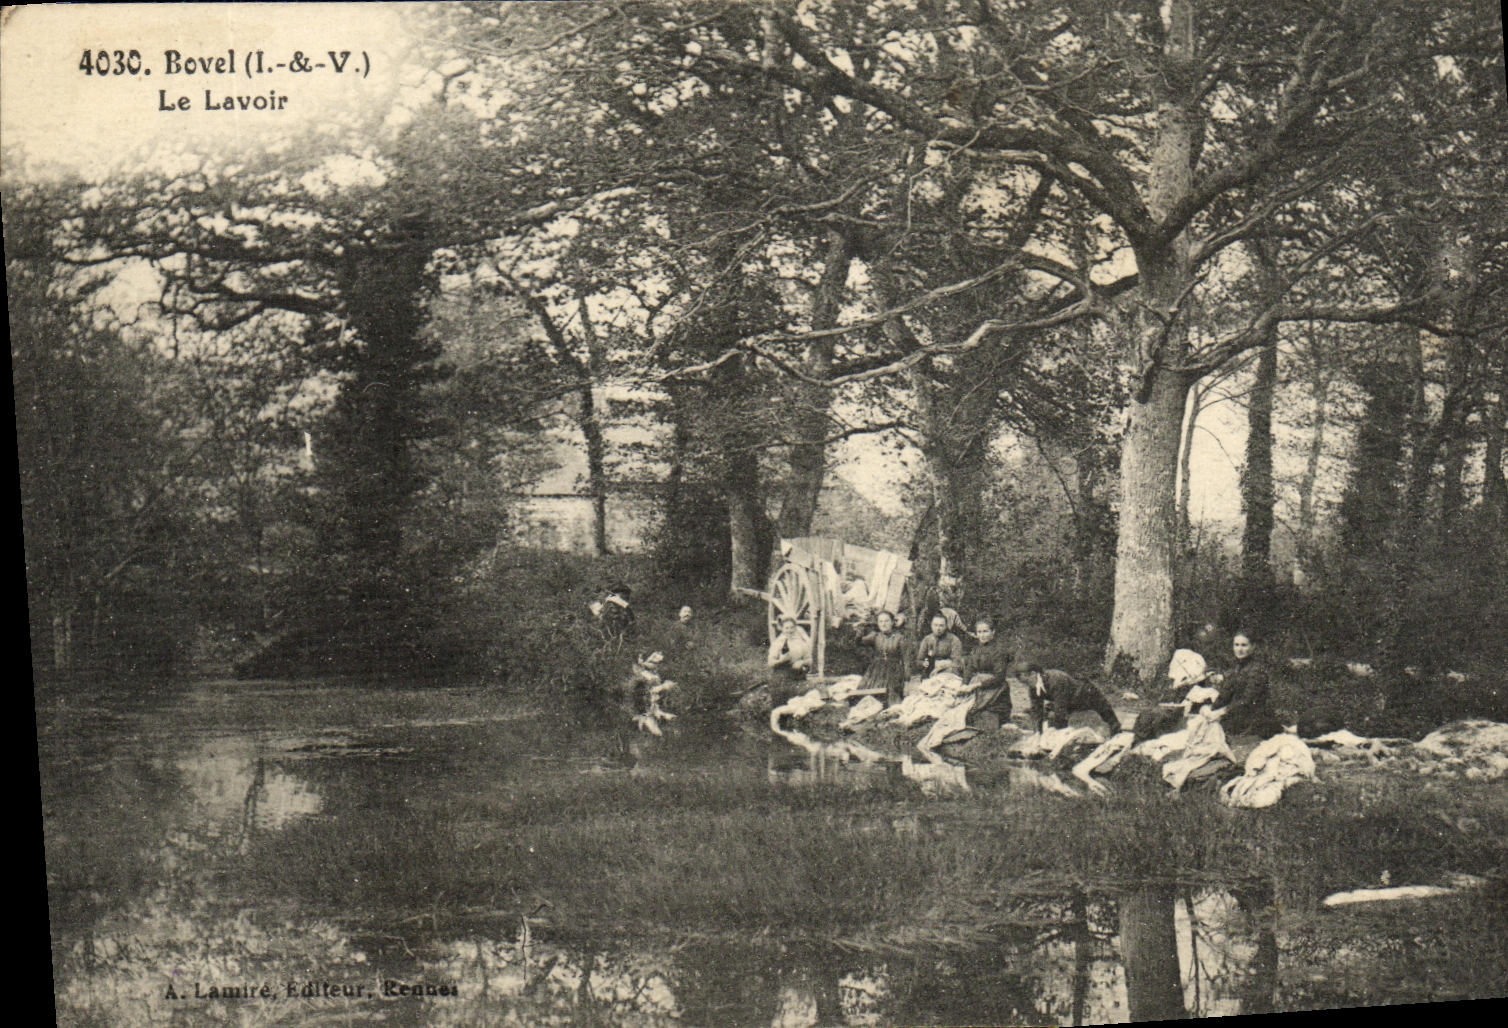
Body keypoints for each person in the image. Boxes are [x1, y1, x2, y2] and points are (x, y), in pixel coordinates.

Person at [1207, 631, 1281, 738]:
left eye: (1244, 645)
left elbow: (1247, 700)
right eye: (1236, 645)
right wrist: (1212, 709)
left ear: (1253, 646)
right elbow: (1226, 694)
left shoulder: (1257, 670)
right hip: (1237, 714)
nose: (1239, 649)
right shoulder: (1237, 668)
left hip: (1254, 718)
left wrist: (1221, 712)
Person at [1020, 663, 1121, 733]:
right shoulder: (1033, 686)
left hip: (1084, 694)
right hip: (1067, 700)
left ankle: (1117, 732)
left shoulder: (1056, 679)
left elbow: (1060, 710)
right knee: (1050, 714)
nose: (1026, 686)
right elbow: (1036, 710)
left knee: (1106, 713)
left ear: (1033, 674)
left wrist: (1058, 733)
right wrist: (1038, 732)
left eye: (1026, 681)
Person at [957, 618, 1015, 730]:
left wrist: (976, 685)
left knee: (984, 716)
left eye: (985, 631)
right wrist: (964, 684)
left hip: (995, 689)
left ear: (993, 632)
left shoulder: (999, 651)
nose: (982, 635)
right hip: (978, 685)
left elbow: (999, 677)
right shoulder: (976, 649)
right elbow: (969, 669)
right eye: (979, 632)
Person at [857, 610, 911, 706]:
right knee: (864, 693)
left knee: (890, 697)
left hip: (893, 671)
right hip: (876, 670)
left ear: (892, 622)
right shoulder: (875, 636)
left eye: (886, 621)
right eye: (880, 621)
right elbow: (859, 642)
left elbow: (906, 660)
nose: (883, 624)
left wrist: (907, 682)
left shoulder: (900, 638)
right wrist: (861, 628)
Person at [766, 615, 812, 703]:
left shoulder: (801, 643)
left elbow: (810, 660)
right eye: (787, 628)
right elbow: (770, 663)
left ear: (795, 628)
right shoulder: (778, 643)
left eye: (792, 628)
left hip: (798, 676)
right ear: (782, 629)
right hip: (781, 678)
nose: (789, 630)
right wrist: (780, 661)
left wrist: (802, 662)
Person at [916, 613, 963, 679]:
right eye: (935, 625)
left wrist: (941, 666)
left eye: (941, 625)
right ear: (931, 625)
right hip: (930, 673)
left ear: (946, 626)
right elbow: (919, 660)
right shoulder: (927, 640)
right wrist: (923, 663)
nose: (938, 628)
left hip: (949, 673)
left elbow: (957, 663)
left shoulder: (954, 640)